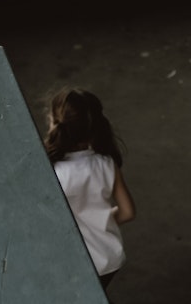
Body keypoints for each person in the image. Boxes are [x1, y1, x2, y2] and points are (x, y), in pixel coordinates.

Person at [44, 88, 136, 288]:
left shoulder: (53, 172)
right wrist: (99, 220)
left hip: (71, 262)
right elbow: (127, 212)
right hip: (108, 258)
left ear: (53, 123)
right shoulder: (106, 162)